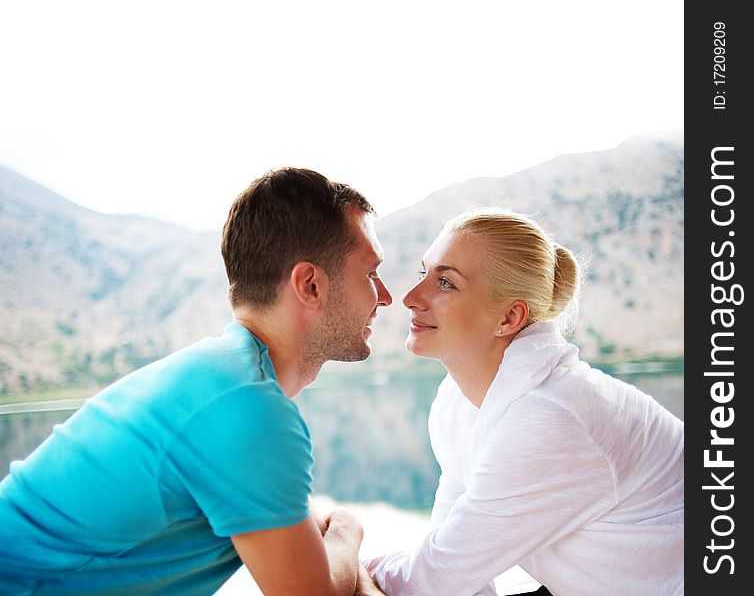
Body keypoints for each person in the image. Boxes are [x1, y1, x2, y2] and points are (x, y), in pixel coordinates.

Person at [0, 168, 393, 595]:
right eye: (371, 273)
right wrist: (349, 529)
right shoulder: (245, 409)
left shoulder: (222, 380)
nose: (386, 296)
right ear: (310, 285)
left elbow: (308, 540)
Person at [364, 208, 684, 596]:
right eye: (423, 273)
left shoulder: (550, 413)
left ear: (510, 317)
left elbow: (431, 579)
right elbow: (455, 566)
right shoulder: (457, 403)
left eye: (445, 282)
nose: (412, 298)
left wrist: (342, 547)